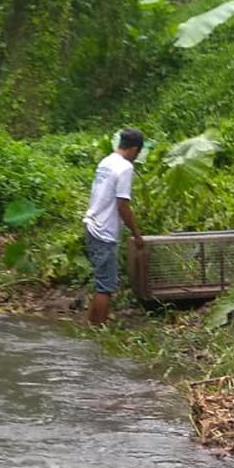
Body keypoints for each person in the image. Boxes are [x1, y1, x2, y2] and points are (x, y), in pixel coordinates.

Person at [83, 128, 145, 325]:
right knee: (105, 286)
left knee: (102, 281)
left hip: (91, 224)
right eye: (138, 152)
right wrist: (137, 234)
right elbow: (123, 205)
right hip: (104, 231)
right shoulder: (125, 167)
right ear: (135, 149)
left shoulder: (106, 161)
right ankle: (97, 330)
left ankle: (91, 328)